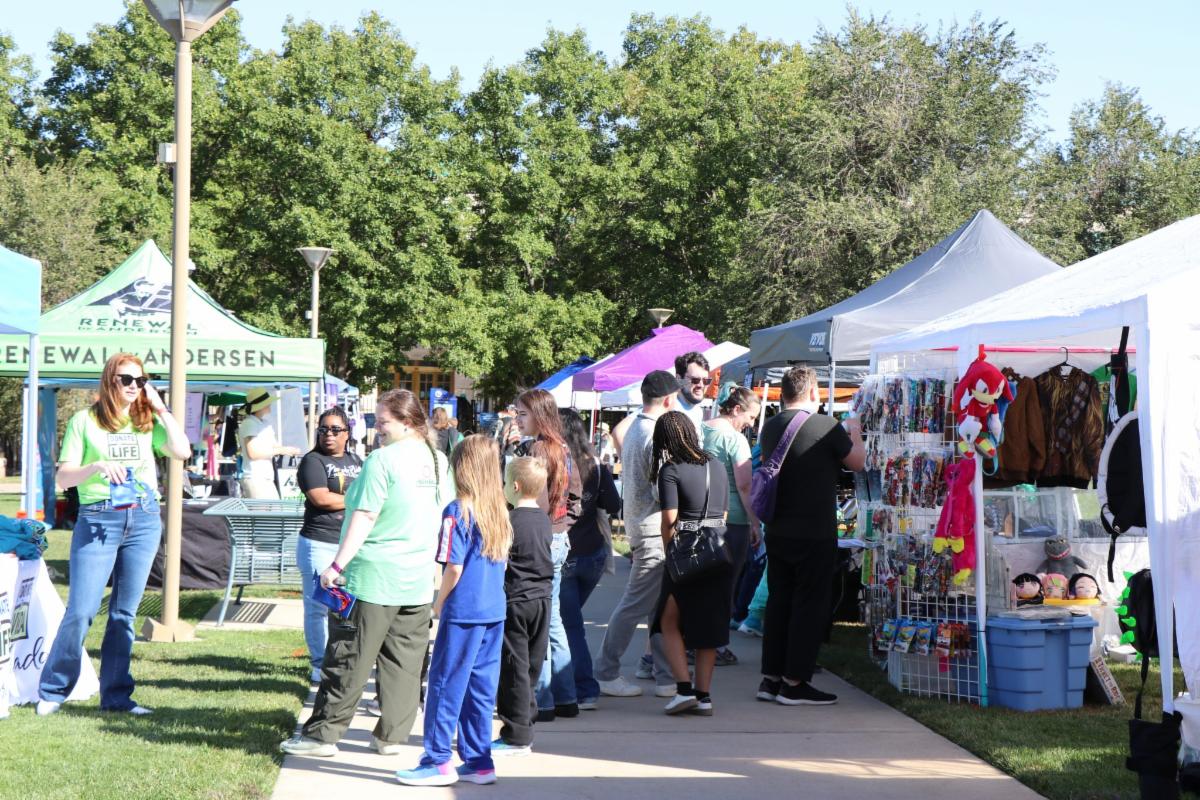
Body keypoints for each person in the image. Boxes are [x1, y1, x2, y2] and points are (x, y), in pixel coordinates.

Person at [280, 389, 452, 758]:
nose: (377, 428)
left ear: (406, 423)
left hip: (373, 577)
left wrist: (336, 566)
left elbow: (365, 515)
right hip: (417, 580)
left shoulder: (382, 460)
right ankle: (391, 737)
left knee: (348, 657)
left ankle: (322, 737)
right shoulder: (437, 460)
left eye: (383, 421)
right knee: (405, 664)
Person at [38, 352, 191, 716]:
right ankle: (53, 690)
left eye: (141, 380)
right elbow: (63, 477)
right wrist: (95, 466)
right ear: (110, 380)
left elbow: (182, 450)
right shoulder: (84, 421)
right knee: (82, 610)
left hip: (144, 518)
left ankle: (117, 698)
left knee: (124, 614)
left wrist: (161, 407)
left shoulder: (146, 421)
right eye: (127, 379)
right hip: (99, 518)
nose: (134, 386)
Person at [395, 435, 512, 787]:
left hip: (463, 612)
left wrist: (439, 602)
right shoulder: (499, 511)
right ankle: (479, 761)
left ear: (461, 468)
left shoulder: (455, 511)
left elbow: (453, 567)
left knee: (445, 684)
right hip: (493, 611)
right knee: (480, 689)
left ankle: (437, 760)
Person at [756, 367, 865, 706]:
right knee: (809, 604)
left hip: (778, 528)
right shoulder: (825, 426)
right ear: (814, 392)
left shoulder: (771, 426)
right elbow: (857, 462)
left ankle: (771, 678)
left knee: (780, 601)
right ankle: (795, 682)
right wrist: (855, 430)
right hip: (814, 531)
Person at [593, 370, 679, 700]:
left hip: (641, 525)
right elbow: (663, 490)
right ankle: (606, 671)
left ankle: (665, 676)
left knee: (657, 606)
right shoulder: (655, 434)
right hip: (654, 529)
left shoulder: (634, 428)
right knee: (635, 605)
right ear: (669, 400)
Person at [652, 410, 730, 715]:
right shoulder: (716, 465)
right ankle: (704, 696)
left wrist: (669, 552)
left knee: (668, 620)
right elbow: (723, 514)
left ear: (664, 440)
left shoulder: (670, 469)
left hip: (685, 554)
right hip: (717, 551)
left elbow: (669, 520)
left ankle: (684, 690)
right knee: (708, 626)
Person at [513, 388, 581, 720]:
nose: (517, 419)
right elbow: (577, 497)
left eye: (522, 414)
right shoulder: (563, 449)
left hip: (542, 539)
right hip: (557, 538)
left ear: (539, 415)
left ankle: (545, 700)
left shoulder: (538, 450)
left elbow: (531, 500)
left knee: (540, 622)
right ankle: (565, 697)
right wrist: (563, 525)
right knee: (551, 620)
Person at [557, 408, 621, 709]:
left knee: (568, 625)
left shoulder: (557, 464)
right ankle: (571, 683)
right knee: (566, 622)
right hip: (592, 553)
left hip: (567, 553)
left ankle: (583, 688)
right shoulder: (594, 464)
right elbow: (613, 503)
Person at [296, 407, 363, 683]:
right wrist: (359, 500)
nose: (329, 435)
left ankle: (341, 660)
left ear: (347, 433)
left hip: (349, 544)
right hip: (319, 542)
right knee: (319, 607)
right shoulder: (312, 461)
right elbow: (321, 498)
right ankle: (319, 663)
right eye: (323, 429)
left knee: (348, 606)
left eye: (336, 430)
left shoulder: (356, 460)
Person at [492, 457, 553, 755]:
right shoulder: (544, 520)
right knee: (531, 667)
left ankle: (516, 736)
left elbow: (501, 561)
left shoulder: (509, 521)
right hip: (543, 600)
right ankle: (525, 725)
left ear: (514, 487)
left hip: (516, 601)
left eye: (505, 482)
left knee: (513, 668)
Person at [702, 384, 763, 665]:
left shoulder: (700, 430)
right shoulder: (735, 439)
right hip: (732, 521)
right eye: (750, 417)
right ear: (736, 409)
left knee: (702, 585)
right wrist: (755, 523)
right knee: (725, 587)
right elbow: (745, 485)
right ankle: (714, 646)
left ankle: (694, 642)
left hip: (700, 516)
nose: (751, 424)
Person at [238, 388, 300, 498]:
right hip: (255, 477)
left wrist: (289, 450)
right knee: (266, 509)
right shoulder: (249, 423)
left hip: (266, 477)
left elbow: (275, 446)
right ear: (260, 406)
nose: (270, 404)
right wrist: (282, 450)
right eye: (267, 402)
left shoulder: (265, 424)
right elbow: (253, 453)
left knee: (274, 508)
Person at [674, 351, 712, 437]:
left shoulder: (698, 411)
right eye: (695, 380)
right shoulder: (667, 410)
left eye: (706, 381)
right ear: (679, 379)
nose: (701, 385)